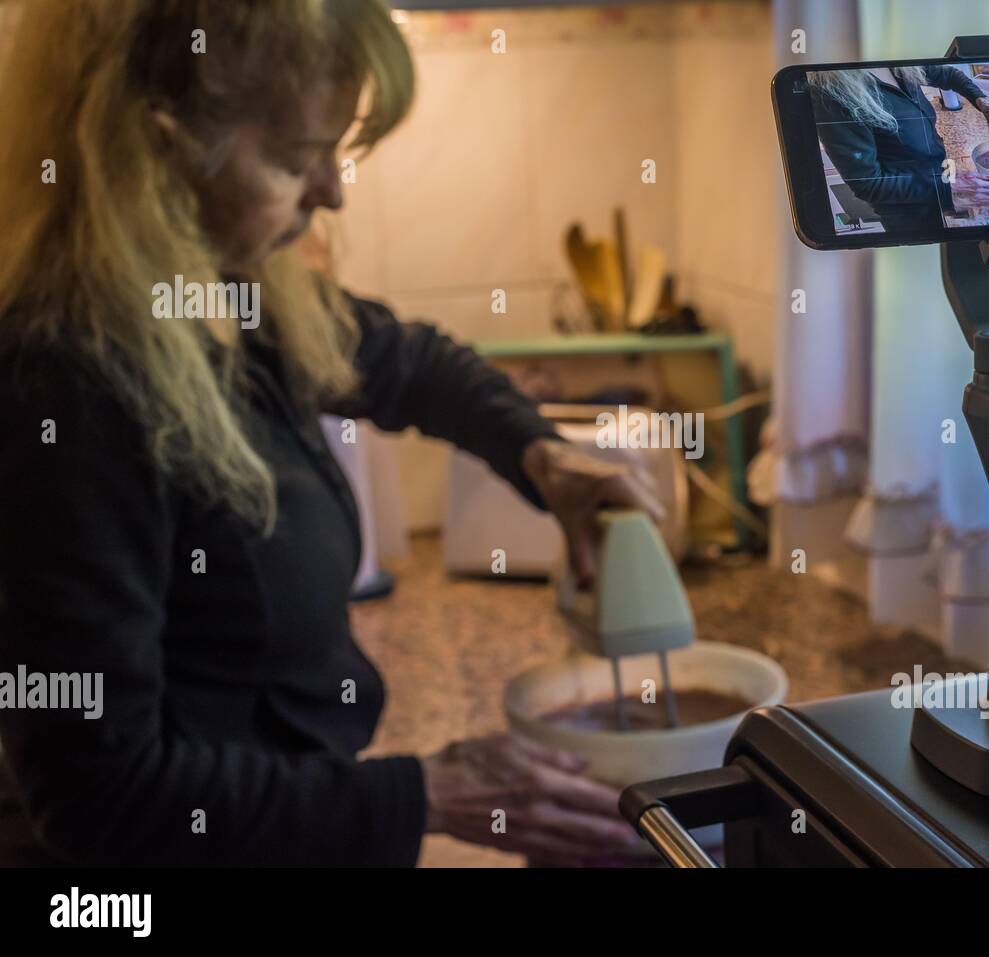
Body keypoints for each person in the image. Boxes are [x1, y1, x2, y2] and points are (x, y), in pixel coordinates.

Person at [0, 0, 661, 866]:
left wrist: (544, 457)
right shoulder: (65, 382)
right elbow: (102, 800)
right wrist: (427, 793)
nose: (333, 192)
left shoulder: (226, 295)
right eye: (296, 158)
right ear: (154, 151)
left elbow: (412, 364)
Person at [809, 65, 989, 232]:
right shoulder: (832, 92)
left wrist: (980, 100)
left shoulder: (894, 59)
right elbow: (868, 185)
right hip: (905, 208)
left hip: (932, 179)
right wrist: (947, 188)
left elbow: (948, 74)